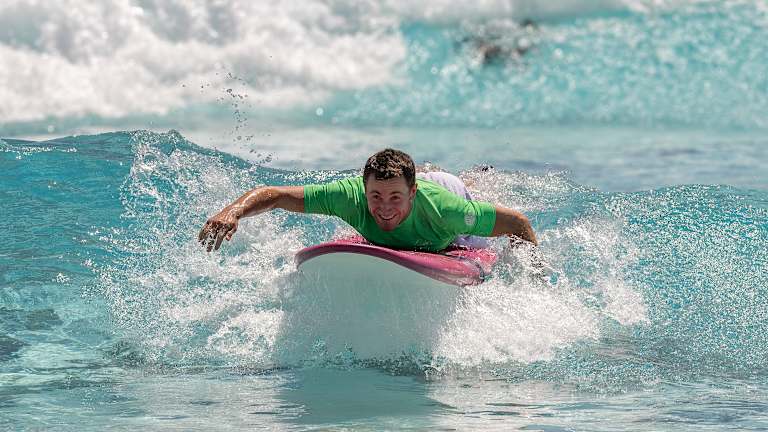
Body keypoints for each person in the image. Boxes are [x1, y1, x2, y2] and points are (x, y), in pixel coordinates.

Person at [198, 148, 537, 253]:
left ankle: (468, 178)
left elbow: (518, 224)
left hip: (445, 192)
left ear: (411, 193)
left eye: (394, 198)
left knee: (476, 239)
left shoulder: (449, 212)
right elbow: (276, 194)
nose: (384, 207)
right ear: (363, 189)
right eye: (375, 196)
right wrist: (233, 212)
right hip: (416, 186)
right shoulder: (350, 197)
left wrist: (530, 275)